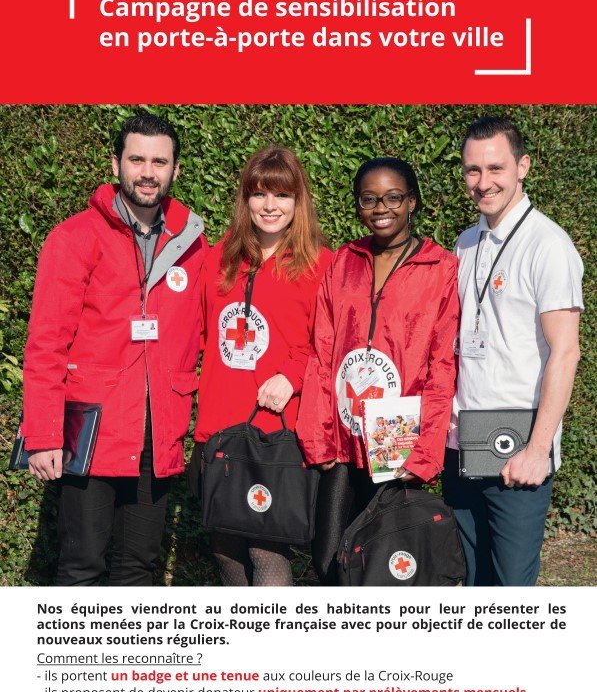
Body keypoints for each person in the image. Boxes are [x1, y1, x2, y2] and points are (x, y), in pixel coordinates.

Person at [22, 111, 209, 585]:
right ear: (116, 164)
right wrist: (43, 436)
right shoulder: (74, 238)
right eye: (137, 159)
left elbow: (209, 331)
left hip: (157, 431)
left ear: (176, 170)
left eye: (160, 162)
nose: (148, 172)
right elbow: (46, 344)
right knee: (82, 567)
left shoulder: (193, 244)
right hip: (93, 432)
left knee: (139, 568)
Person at [297, 156, 460, 584]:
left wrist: (425, 452)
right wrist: (320, 438)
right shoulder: (343, 262)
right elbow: (322, 352)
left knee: (383, 569)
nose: (380, 208)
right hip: (345, 442)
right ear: (357, 205)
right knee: (328, 559)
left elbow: (443, 367)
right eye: (369, 199)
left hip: (397, 445)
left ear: (412, 202)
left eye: (393, 197)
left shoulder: (441, 269)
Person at [442, 116, 583, 586]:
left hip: (517, 451)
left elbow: (566, 352)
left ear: (522, 167)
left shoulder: (549, 246)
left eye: (496, 169)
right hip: (463, 445)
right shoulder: (466, 243)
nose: (484, 183)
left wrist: (538, 449)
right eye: (472, 171)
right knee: (474, 583)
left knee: (511, 594)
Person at [189, 146, 332, 586]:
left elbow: (328, 345)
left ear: (298, 202)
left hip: (274, 433)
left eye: (282, 195)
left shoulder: (320, 265)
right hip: (216, 428)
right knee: (224, 546)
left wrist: (291, 376)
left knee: (267, 550)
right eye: (259, 193)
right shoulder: (218, 260)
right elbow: (194, 335)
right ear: (245, 199)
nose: (270, 206)